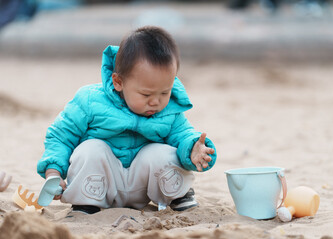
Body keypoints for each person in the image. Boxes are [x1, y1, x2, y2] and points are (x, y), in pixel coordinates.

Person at [37, 26, 217, 214]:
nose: (156, 101)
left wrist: (192, 148)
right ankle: (86, 203)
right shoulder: (89, 100)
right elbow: (61, 136)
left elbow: (182, 134)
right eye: (146, 93)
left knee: (163, 152)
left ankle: (178, 195)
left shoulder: (170, 109)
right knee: (90, 149)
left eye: (165, 92)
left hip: (143, 185)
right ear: (118, 82)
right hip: (99, 184)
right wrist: (53, 172)